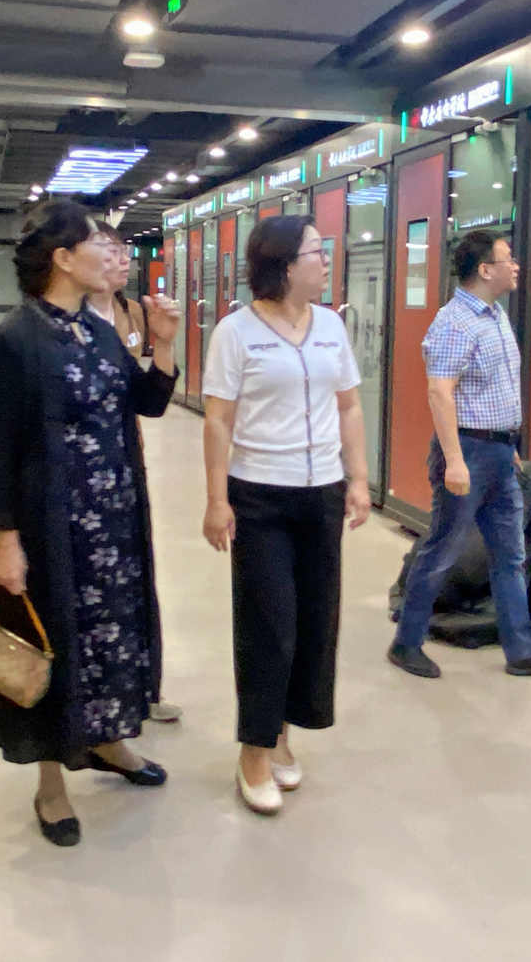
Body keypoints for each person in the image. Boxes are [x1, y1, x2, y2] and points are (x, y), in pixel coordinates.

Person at [0, 199, 182, 848]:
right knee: (57, 645)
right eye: (98, 243)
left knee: (113, 637)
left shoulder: (97, 329)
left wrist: (164, 343)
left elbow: (147, 402)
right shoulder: (14, 338)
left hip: (114, 519)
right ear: (63, 258)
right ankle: (50, 783)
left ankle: (109, 742)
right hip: (51, 524)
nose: (111, 253)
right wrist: (5, 541)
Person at [201, 216, 371, 816]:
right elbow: (218, 419)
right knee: (268, 624)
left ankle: (280, 736)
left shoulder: (330, 326)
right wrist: (216, 499)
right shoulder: (236, 333)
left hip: (321, 493)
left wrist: (358, 478)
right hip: (260, 496)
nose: (325, 262)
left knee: (314, 623)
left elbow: (348, 406)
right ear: (283, 264)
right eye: (316, 252)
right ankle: (253, 751)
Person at [387, 230, 531, 682]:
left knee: (511, 555)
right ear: (485, 269)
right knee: (443, 550)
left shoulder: (495, 317)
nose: (516, 266)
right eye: (508, 259)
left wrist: (508, 447)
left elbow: (494, 390)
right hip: (466, 452)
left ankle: (522, 652)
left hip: (497, 451)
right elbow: (440, 391)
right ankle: (406, 643)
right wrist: (454, 460)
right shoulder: (455, 322)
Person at [87, 221, 182, 724]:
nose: (122, 259)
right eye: (108, 249)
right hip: (78, 476)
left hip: (124, 461)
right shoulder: (60, 324)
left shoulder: (130, 313)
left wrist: (164, 345)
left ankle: (141, 690)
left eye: (124, 251)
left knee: (134, 580)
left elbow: (149, 401)